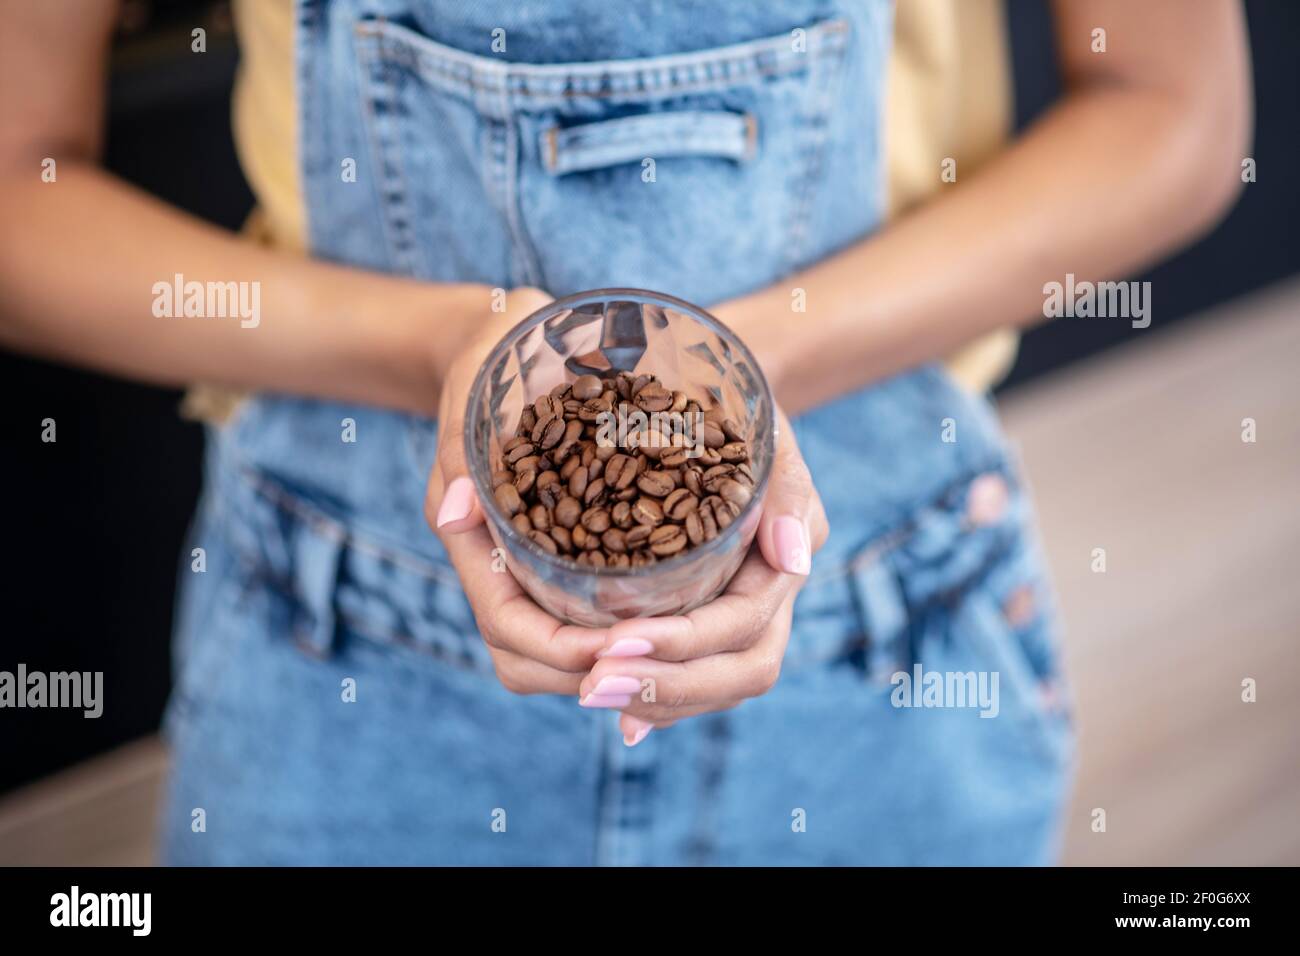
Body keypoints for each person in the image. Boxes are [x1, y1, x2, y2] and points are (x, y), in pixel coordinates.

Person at [0, 1, 1249, 864]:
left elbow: (1174, 112)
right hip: (342, 669)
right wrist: (436, 345)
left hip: (880, 639)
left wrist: (758, 359)